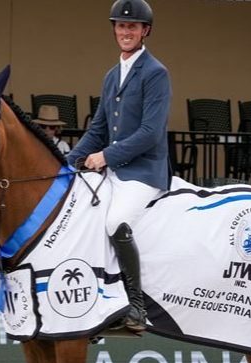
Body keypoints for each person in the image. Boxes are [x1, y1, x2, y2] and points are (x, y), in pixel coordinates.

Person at [67, 0, 172, 333]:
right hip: (115, 172)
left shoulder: (156, 73)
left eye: (132, 27)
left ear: (145, 31)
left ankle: (137, 307)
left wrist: (106, 157)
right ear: (114, 30)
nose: (125, 32)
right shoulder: (112, 75)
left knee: (115, 221)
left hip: (144, 172)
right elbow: (98, 128)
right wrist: (67, 163)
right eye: (121, 26)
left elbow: (150, 133)